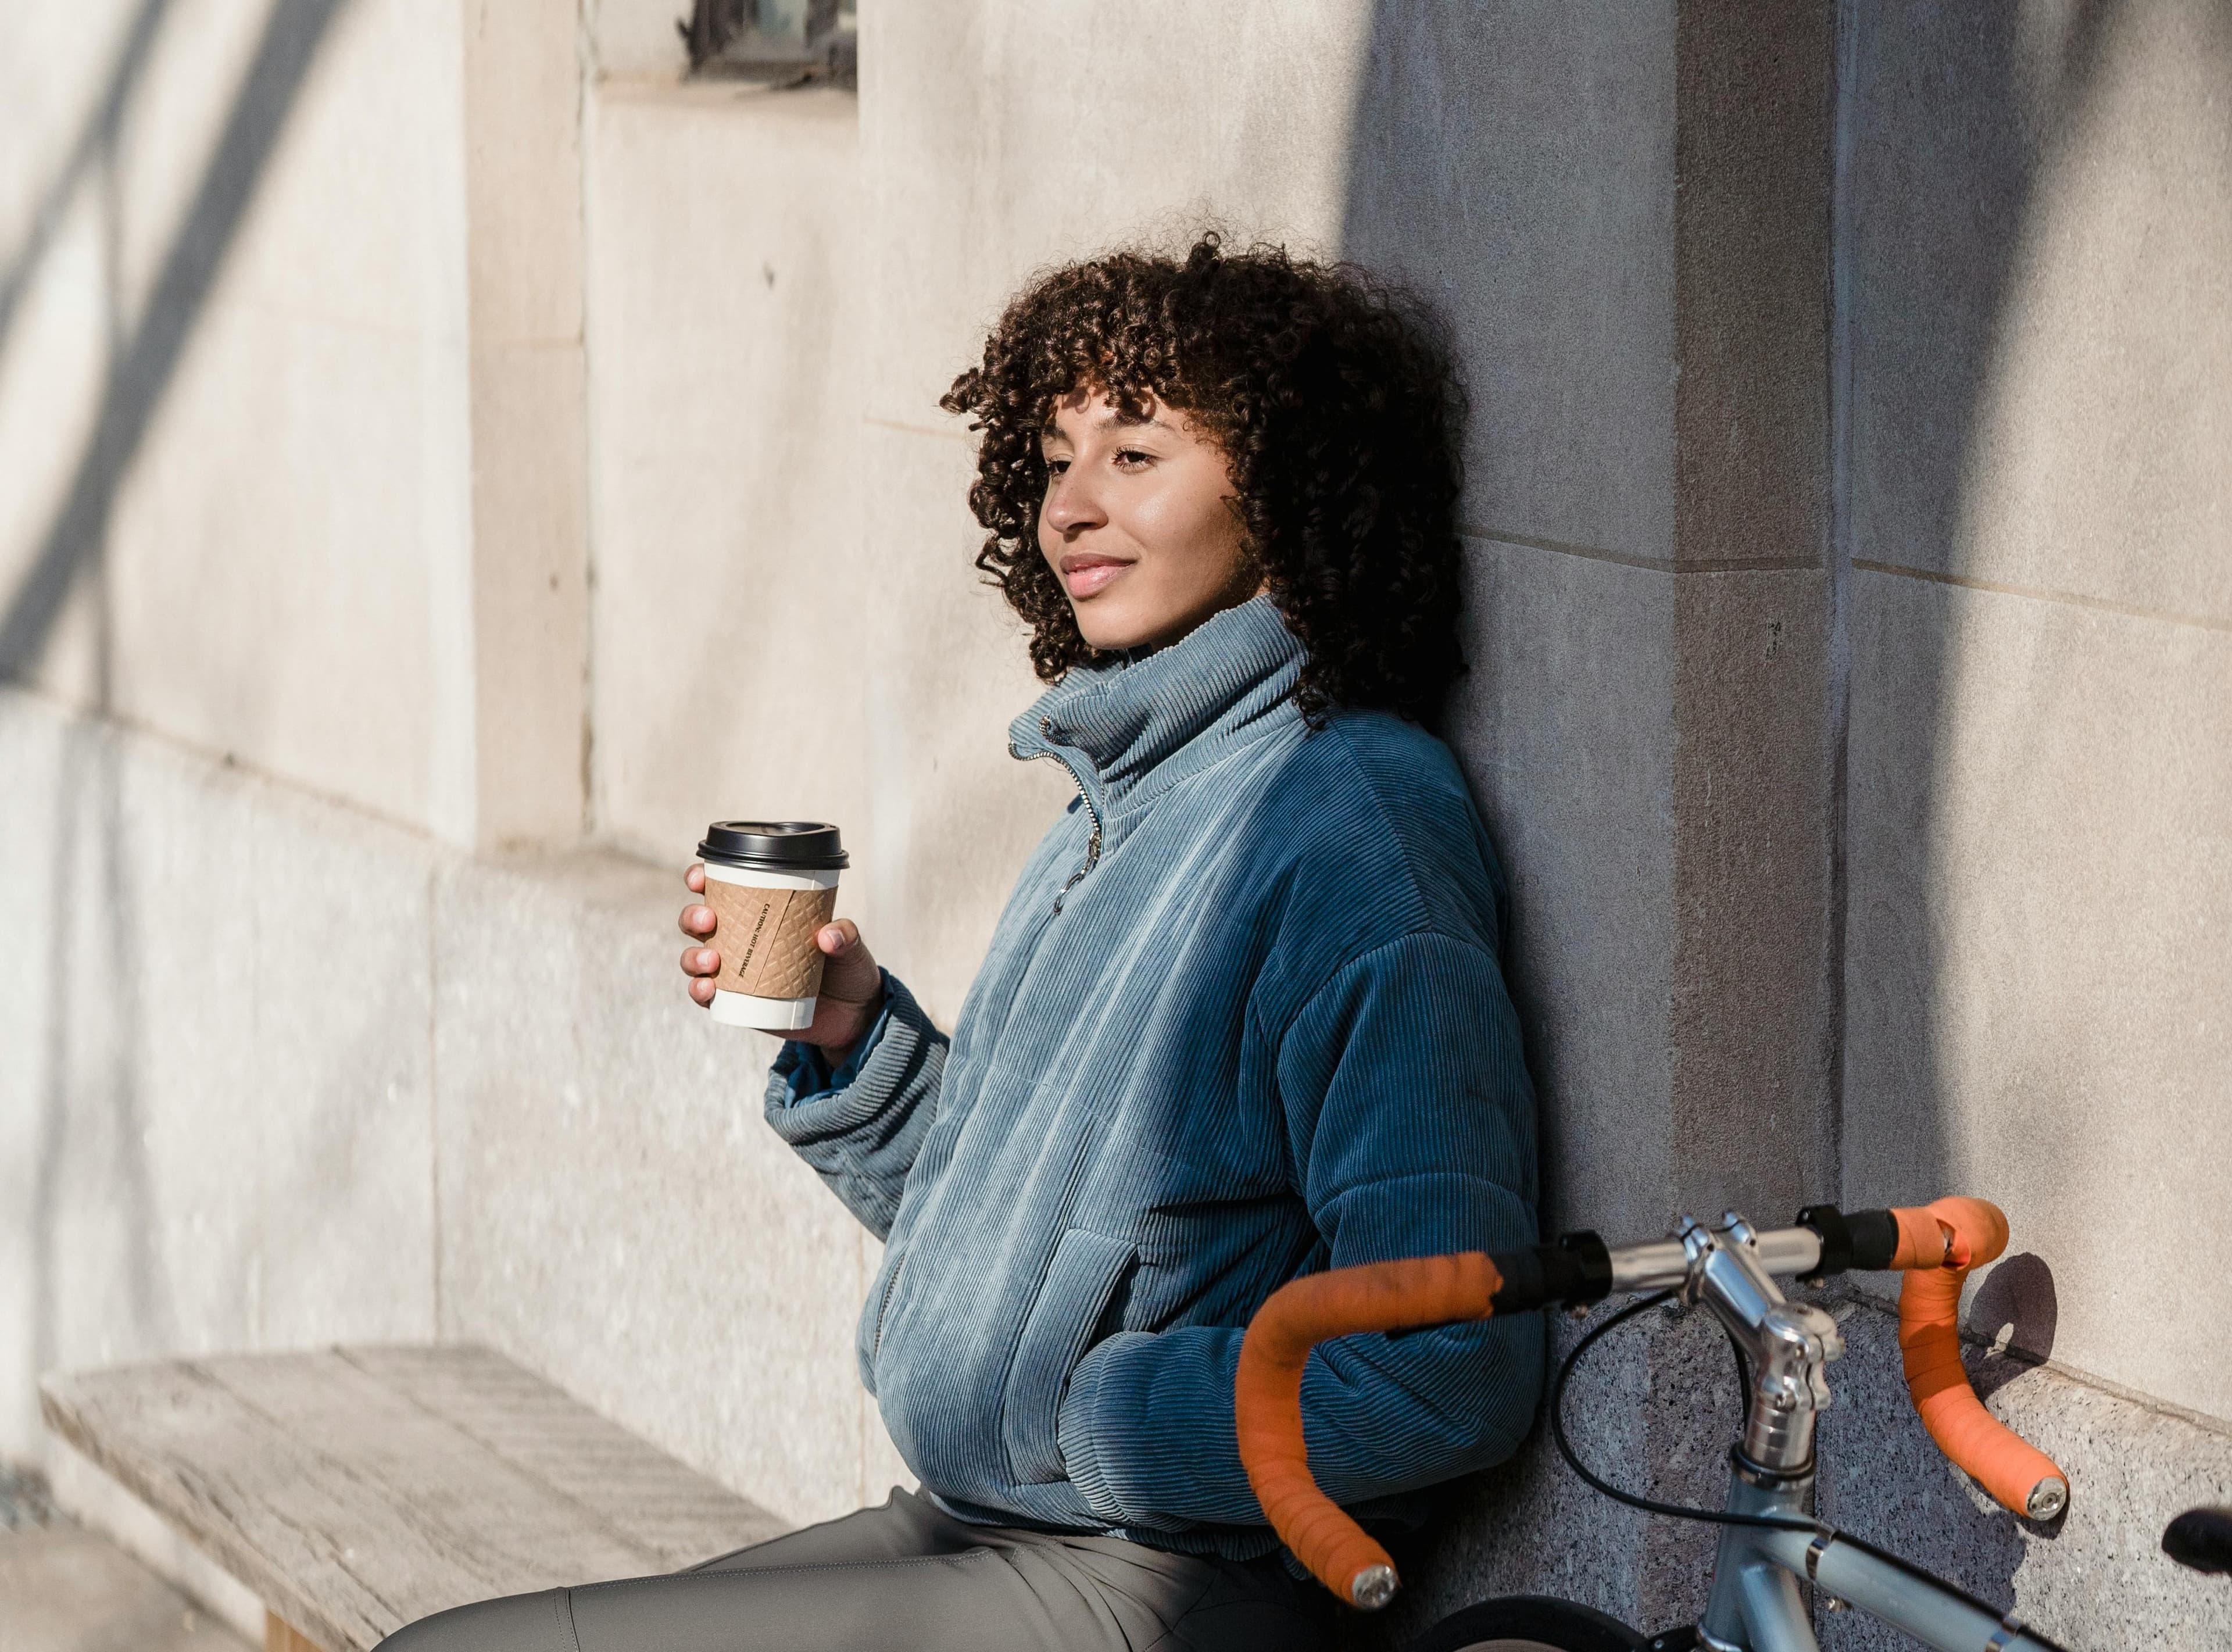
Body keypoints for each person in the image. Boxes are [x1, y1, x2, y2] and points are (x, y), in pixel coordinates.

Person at [378, 235, 1541, 1652]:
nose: (1071, 509)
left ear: (1285, 488)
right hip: (989, 1524)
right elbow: (1052, 1238)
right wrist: (856, 1039)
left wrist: (1095, 1409)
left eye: (1135, 453)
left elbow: (1448, 1360)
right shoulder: (1127, 802)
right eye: (1054, 459)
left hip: (1180, 1577)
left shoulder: (1356, 826)